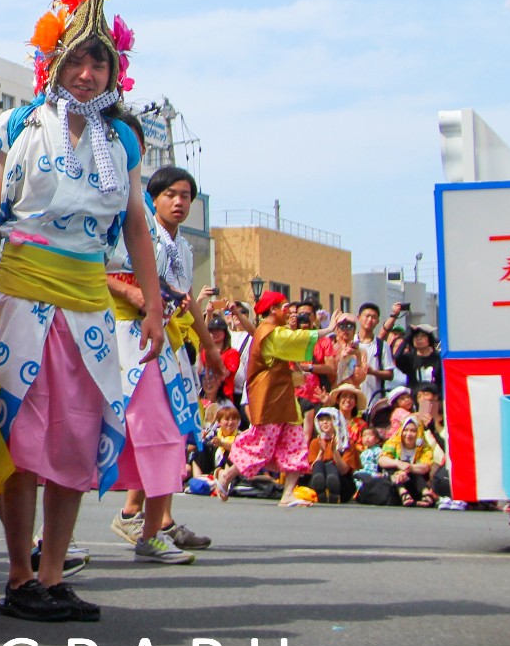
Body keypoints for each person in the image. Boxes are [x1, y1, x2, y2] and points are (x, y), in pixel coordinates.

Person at [0, 0, 167, 625]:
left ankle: (53, 572)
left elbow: (136, 226)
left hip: (88, 304)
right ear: (52, 61)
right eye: (76, 58)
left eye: (98, 60)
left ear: (115, 68)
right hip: (21, 299)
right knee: (20, 440)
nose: (86, 73)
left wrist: (156, 307)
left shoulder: (123, 140)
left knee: (74, 441)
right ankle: (20, 571)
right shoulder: (18, 126)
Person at [104, 164, 214, 555]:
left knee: (169, 432)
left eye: (186, 196)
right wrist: (131, 294)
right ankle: (48, 538)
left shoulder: (181, 247)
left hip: (161, 344)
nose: (179, 202)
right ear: (153, 197)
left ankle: (152, 529)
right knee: (91, 434)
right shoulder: (127, 224)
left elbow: (185, 301)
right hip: (117, 337)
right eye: (171, 194)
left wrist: (211, 348)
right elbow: (94, 268)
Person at [224, 292, 324, 507]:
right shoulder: (270, 332)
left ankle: (288, 493)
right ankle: (226, 476)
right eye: (284, 307)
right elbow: (296, 340)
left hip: (283, 397)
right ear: (273, 310)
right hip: (269, 398)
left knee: (295, 443)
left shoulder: (270, 331)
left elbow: (287, 351)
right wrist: (329, 329)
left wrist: (297, 370)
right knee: (262, 446)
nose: (288, 311)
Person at [376, 415, 443, 505]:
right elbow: (382, 460)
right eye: (406, 430)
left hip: (415, 483)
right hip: (394, 480)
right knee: (392, 467)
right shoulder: (393, 442)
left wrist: (408, 468)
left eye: (413, 431)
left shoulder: (424, 447)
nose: (408, 434)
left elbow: (426, 466)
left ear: (418, 432)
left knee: (413, 469)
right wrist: (398, 463)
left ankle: (426, 494)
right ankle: (403, 492)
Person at [303, 406, 358, 503]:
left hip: (342, 483)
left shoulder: (347, 442)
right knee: (319, 464)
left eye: (328, 419)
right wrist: (321, 452)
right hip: (319, 479)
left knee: (330, 465)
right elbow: (311, 469)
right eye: (321, 420)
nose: (324, 422)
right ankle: (321, 492)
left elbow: (344, 470)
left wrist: (334, 451)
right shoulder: (316, 442)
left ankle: (334, 492)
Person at [395, 327, 444, 401]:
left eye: (423, 336)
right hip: (416, 399)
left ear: (429, 339)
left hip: (435, 399)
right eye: (416, 336)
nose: (419, 339)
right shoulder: (409, 358)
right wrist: (407, 337)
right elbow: (397, 357)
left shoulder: (438, 358)